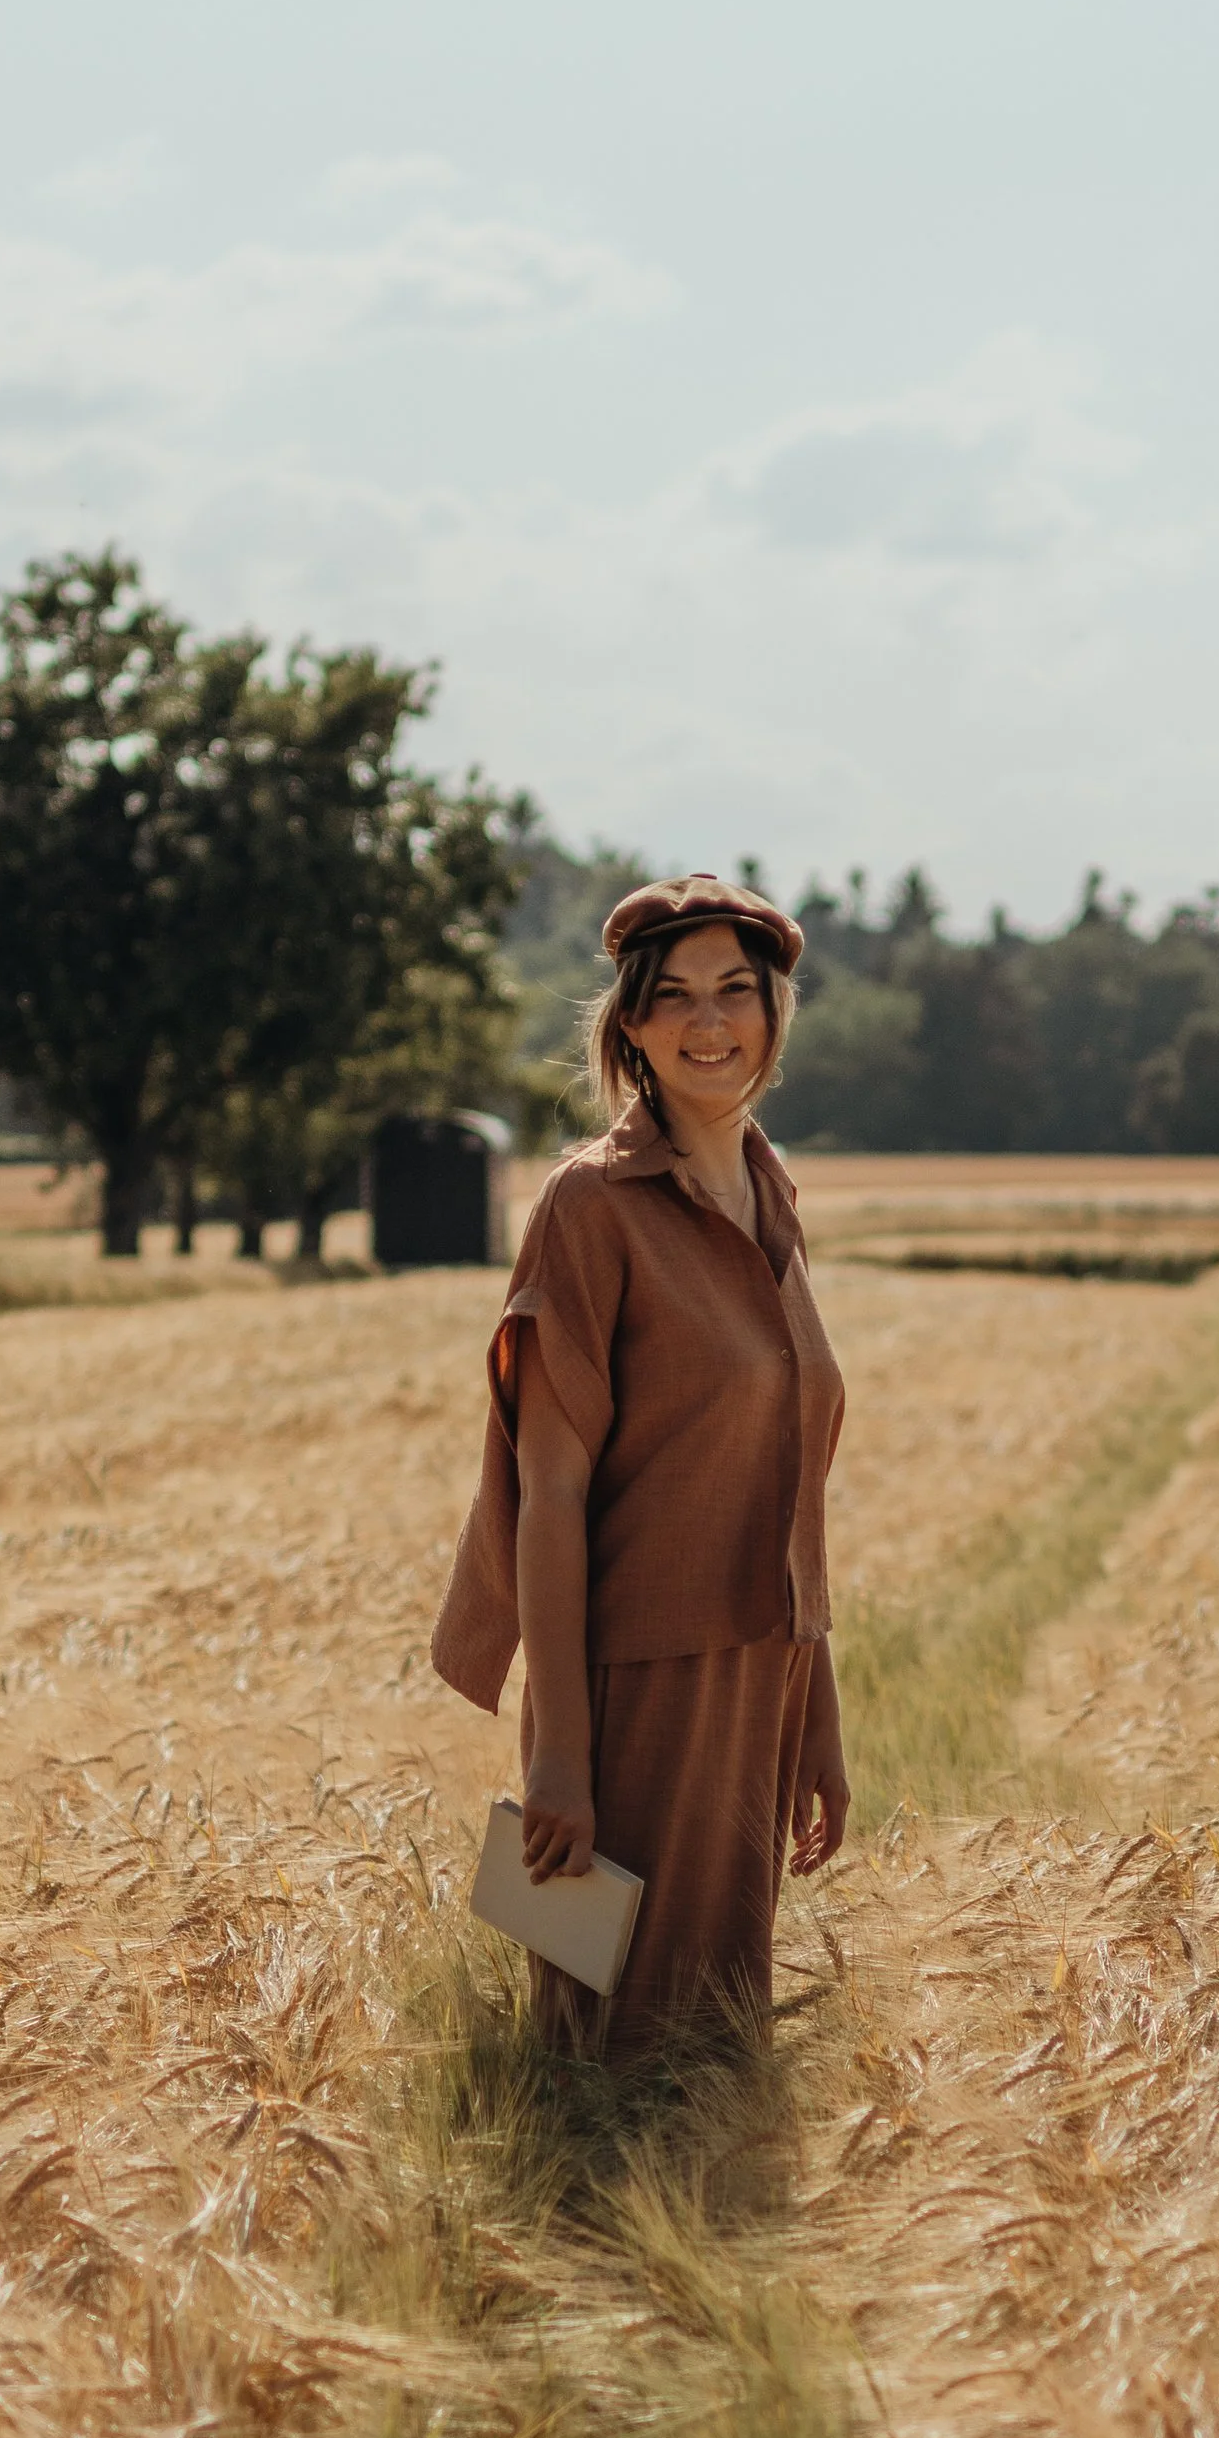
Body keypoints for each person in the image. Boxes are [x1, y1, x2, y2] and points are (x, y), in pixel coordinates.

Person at [432, 871, 850, 2050]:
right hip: (639, 1686)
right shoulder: (590, 1206)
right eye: (672, 997)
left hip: (760, 1676)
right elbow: (549, 1493)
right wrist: (562, 1752)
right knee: (610, 2039)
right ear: (629, 1026)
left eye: (734, 991)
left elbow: (791, 1488)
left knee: (719, 2037)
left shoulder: (771, 1193)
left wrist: (817, 1713)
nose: (706, 1022)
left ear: (774, 1013)